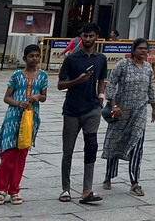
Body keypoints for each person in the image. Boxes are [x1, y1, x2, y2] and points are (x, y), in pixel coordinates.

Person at [57, 22, 107, 204]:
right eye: (85, 36)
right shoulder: (72, 59)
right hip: (72, 109)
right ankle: (66, 189)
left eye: (91, 36)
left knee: (91, 146)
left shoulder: (100, 59)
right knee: (68, 150)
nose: (88, 39)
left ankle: (87, 190)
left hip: (92, 108)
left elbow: (102, 79)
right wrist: (77, 80)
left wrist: (101, 97)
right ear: (81, 37)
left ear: (96, 38)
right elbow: (60, 84)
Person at [102, 37, 155, 197]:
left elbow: (150, 88)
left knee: (137, 146)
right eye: (140, 48)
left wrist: (153, 107)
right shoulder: (122, 65)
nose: (143, 51)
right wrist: (114, 105)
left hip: (139, 113)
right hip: (121, 112)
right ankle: (109, 177)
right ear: (133, 50)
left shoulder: (148, 68)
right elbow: (111, 84)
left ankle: (135, 182)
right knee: (115, 142)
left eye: (145, 49)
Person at [0, 44, 48, 205]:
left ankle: (14, 189)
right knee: (9, 154)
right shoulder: (17, 75)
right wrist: (18, 103)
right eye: (31, 56)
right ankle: (2, 188)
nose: (34, 59)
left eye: (37, 56)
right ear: (24, 58)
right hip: (13, 118)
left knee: (21, 154)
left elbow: (44, 96)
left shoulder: (43, 76)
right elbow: (6, 97)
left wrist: (37, 96)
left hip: (31, 118)